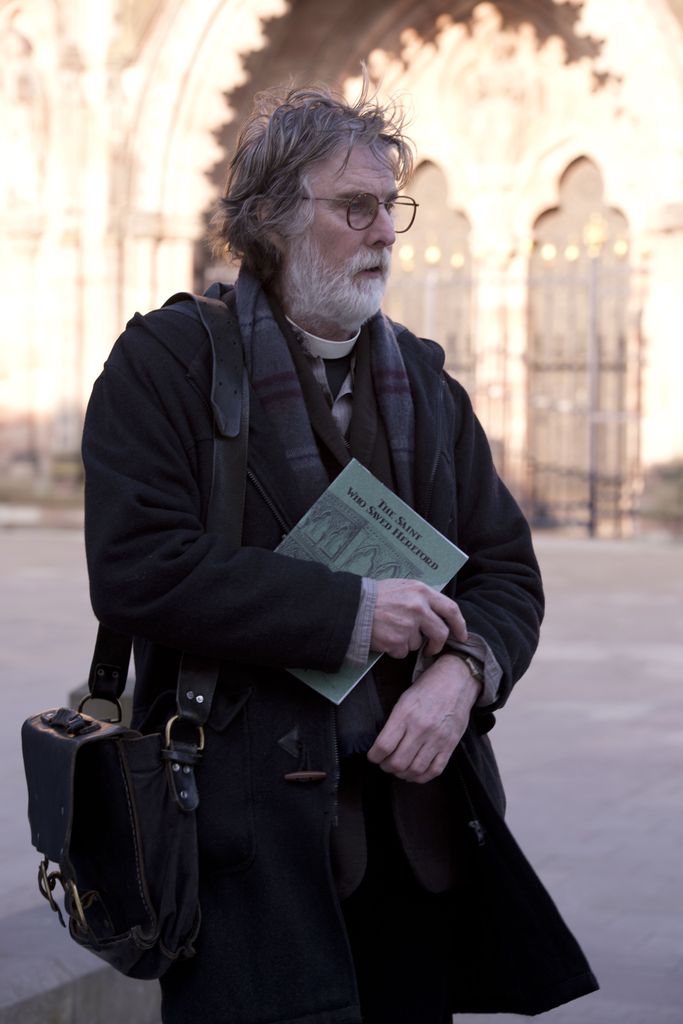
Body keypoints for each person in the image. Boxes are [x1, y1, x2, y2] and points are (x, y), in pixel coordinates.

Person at [82, 77, 597, 1024]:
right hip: (243, 845)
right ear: (273, 218)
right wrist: (351, 614)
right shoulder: (166, 365)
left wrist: (461, 675)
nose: (386, 232)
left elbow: (505, 575)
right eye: (354, 208)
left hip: (421, 841)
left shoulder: (427, 385)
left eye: (388, 206)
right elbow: (137, 567)